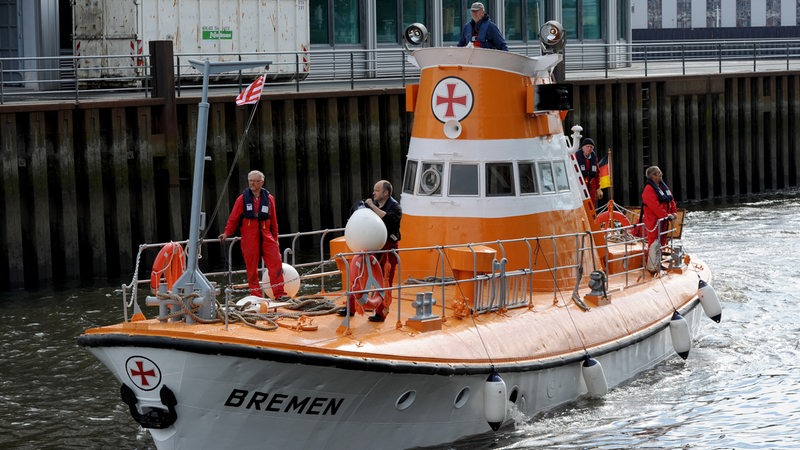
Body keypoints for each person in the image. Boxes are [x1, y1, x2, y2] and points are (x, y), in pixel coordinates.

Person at [339, 180, 402, 322]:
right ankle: (351, 307)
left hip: (387, 249)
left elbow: (389, 220)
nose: (374, 193)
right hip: (370, 247)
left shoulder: (396, 208)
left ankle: (381, 312)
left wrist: (372, 206)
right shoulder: (370, 206)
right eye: (374, 190)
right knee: (357, 276)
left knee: (385, 280)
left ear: (385, 193)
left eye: (377, 190)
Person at [219, 170, 287, 299]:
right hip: (250, 238)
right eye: (251, 181)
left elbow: (274, 221)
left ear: (262, 182)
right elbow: (233, 218)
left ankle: (279, 294)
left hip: (267, 236)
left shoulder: (269, 198)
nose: (253, 183)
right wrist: (226, 233)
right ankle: (255, 295)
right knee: (251, 269)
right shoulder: (242, 199)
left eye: (256, 181)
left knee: (276, 263)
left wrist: (276, 238)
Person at [641, 166, 678, 248]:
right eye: (658, 173)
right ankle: (652, 259)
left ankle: (660, 255)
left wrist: (674, 212)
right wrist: (666, 215)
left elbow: (671, 200)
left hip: (664, 220)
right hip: (653, 221)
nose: (661, 175)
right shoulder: (648, 189)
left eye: (660, 173)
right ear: (652, 176)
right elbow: (655, 206)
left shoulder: (662, 187)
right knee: (654, 242)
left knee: (663, 239)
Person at [575, 137, 604, 207]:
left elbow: (597, 174)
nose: (589, 148)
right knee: (580, 205)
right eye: (587, 146)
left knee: (591, 205)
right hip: (580, 186)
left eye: (591, 147)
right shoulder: (576, 156)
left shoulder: (594, 158)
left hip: (592, 187)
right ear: (583, 148)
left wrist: (598, 188)